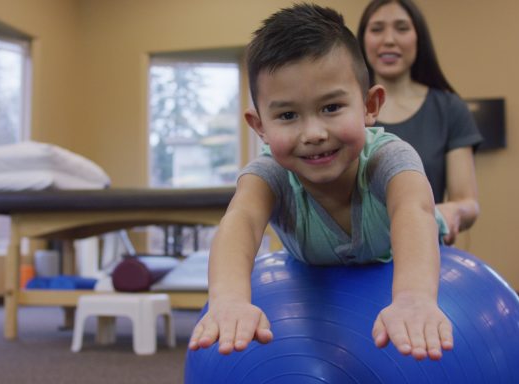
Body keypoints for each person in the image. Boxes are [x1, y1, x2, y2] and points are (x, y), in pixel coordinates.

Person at [188, 3, 453, 361]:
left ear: (369, 105)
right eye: (287, 115)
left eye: (331, 108)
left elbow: (412, 210)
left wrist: (413, 299)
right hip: (321, 273)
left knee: (438, 217)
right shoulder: (269, 175)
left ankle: (452, 217)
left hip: (409, 242)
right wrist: (229, 300)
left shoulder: (388, 159)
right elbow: (242, 221)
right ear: (260, 126)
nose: (313, 133)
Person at [357, 0, 482, 245]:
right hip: (350, 260)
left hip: (422, 250)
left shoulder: (449, 108)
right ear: (362, 40)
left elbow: (467, 201)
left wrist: (453, 211)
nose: (389, 39)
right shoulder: (342, 108)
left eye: (402, 28)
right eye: (377, 29)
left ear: (418, 38)